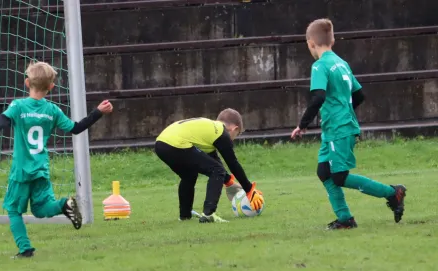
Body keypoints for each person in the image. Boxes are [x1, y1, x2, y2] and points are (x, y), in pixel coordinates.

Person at [0, 61, 113, 257]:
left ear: (27, 83)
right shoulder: (53, 110)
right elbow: (76, 128)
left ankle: (25, 249)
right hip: (41, 168)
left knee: (13, 210)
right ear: (51, 87)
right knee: (41, 210)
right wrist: (98, 112)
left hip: (21, 171)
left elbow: (4, 118)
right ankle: (64, 205)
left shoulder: (18, 105)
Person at [291, 19, 406, 229]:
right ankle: (345, 219)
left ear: (310, 43)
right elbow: (359, 95)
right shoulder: (342, 63)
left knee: (339, 176)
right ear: (332, 40)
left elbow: (318, 97)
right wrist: (344, 112)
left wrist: (302, 124)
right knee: (324, 172)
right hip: (338, 127)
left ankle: (393, 193)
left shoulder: (320, 66)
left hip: (338, 129)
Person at [154, 109, 263, 223]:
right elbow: (232, 163)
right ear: (234, 128)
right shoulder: (222, 133)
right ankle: (208, 214)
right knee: (217, 170)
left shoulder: (209, 129)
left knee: (189, 175)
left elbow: (213, 160)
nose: (234, 138)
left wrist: (229, 182)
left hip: (161, 144)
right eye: (237, 134)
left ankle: (185, 215)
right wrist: (249, 190)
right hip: (175, 143)